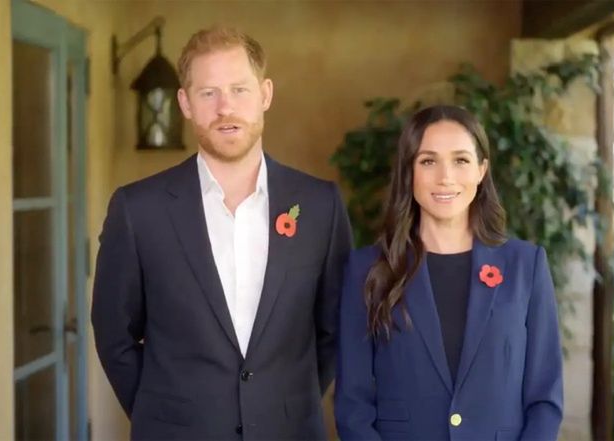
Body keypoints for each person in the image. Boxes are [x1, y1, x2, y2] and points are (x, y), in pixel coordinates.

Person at [92, 25, 352, 440]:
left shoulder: (321, 205)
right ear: (185, 103)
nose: (224, 108)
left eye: (239, 90)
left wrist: (282, 401)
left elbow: (334, 328)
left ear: (265, 94)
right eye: (208, 93)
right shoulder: (137, 210)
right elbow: (113, 333)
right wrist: (161, 411)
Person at [335, 105, 563, 441]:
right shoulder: (367, 271)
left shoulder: (525, 266)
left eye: (461, 160)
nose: (445, 177)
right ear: (409, 171)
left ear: (482, 170)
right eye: (428, 161)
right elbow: (353, 407)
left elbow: (545, 398)